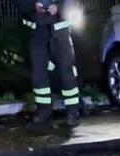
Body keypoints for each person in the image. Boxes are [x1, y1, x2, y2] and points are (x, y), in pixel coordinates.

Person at [17, 0, 81, 128]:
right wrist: (32, 5)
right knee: (38, 74)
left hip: (60, 30)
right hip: (37, 31)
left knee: (66, 72)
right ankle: (44, 113)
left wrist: (59, 8)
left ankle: (72, 113)